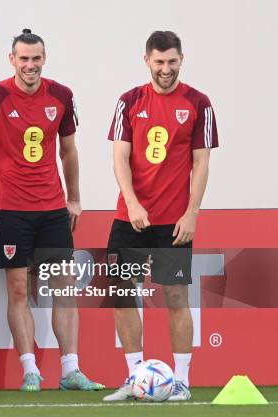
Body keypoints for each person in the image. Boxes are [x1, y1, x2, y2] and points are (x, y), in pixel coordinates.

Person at [0, 29, 103, 392]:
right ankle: (30, 369)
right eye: (24, 59)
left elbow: (69, 151)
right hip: (12, 210)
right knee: (18, 290)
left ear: (44, 59)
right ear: (12, 60)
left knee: (64, 287)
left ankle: (71, 370)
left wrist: (74, 197)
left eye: (36, 59)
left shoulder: (61, 95)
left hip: (51, 208)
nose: (30, 65)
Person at [102, 30, 218, 402]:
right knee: (122, 294)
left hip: (174, 221)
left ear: (181, 59)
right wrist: (133, 203)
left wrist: (192, 213)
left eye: (171, 61)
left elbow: (201, 164)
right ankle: (134, 377)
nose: (165, 69)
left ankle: (181, 381)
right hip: (130, 218)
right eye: (159, 61)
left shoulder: (199, 103)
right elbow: (120, 156)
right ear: (147, 60)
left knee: (175, 296)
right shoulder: (129, 101)